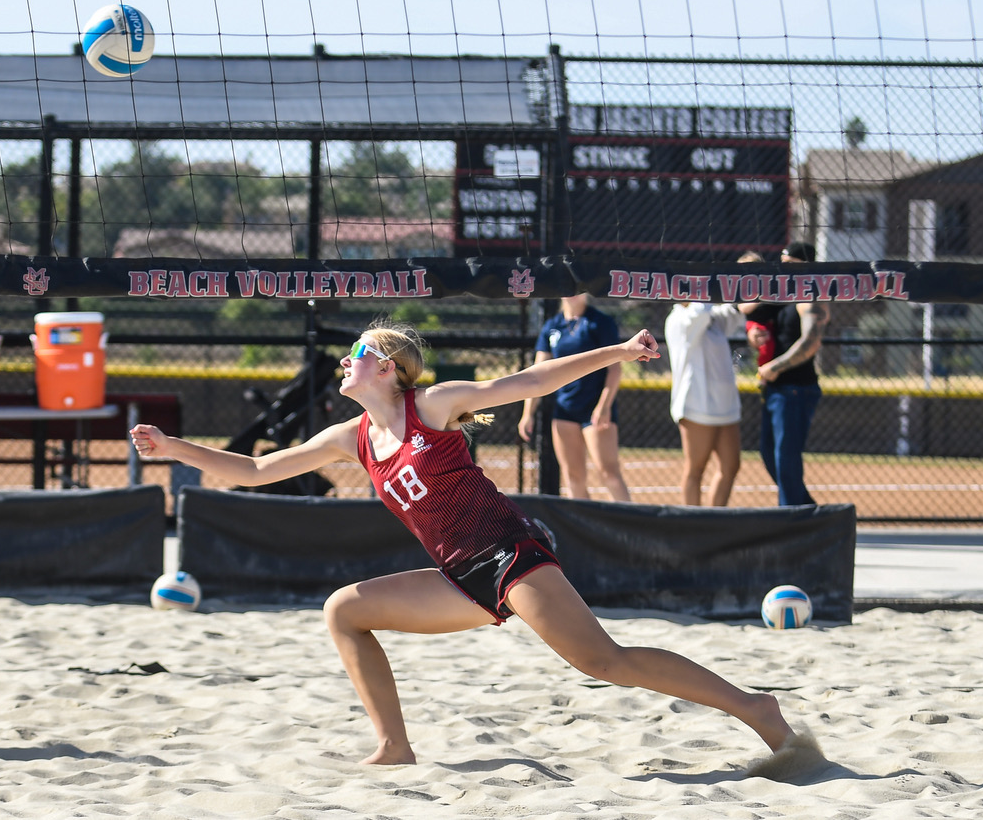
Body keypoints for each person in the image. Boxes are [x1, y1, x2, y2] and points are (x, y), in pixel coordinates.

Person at [130, 320, 801, 766]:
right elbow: (254, 470)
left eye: (355, 352)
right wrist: (171, 447)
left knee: (601, 660)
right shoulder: (351, 438)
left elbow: (530, 382)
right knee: (344, 610)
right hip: (457, 576)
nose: (343, 361)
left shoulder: (431, 405)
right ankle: (394, 745)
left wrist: (619, 352)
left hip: (509, 555)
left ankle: (754, 706)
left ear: (387, 367)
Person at [518, 294, 631, 502]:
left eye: (577, 287)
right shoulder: (552, 326)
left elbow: (614, 369)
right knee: (573, 477)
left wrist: (604, 406)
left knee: (609, 473)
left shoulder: (600, 322)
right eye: (567, 287)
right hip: (565, 410)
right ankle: (581, 523)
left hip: (595, 409)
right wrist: (528, 414)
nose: (572, 292)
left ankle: (630, 522)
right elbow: (537, 373)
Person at [742, 241, 830, 507]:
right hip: (776, 389)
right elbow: (747, 309)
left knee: (786, 458)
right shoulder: (783, 293)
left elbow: (810, 342)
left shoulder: (811, 296)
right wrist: (753, 334)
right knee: (770, 455)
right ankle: (808, 512)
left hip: (795, 388)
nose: (784, 268)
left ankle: (793, 517)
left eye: (791, 264)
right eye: (782, 263)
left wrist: (775, 367)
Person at [664, 300, 745, 506]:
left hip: (725, 405)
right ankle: (692, 522)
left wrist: (749, 292)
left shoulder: (713, 317)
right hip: (697, 405)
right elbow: (700, 311)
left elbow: (733, 312)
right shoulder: (678, 319)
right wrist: (712, 292)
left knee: (731, 466)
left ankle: (715, 519)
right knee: (696, 468)